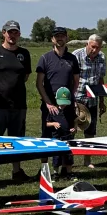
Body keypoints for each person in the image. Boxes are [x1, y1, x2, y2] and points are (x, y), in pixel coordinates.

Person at [0, 19, 32, 184]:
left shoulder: (24, 54)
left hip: (18, 105)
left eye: (15, 32)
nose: (12, 35)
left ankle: (16, 171)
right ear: (3, 33)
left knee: (17, 140)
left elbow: (25, 76)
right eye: (9, 32)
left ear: (19, 34)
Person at [36, 25, 80, 172]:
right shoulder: (45, 58)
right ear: (52, 39)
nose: (60, 38)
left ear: (66, 38)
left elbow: (76, 81)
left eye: (62, 35)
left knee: (67, 135)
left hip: (66, 105)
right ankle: (45, 169)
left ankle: (66, 168)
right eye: (57, 36)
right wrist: (48, 103)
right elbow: (39, 83)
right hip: (50, 106)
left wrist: (71, 99)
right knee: (47, 137)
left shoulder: (72, 59)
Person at [72, 34, 106, 169]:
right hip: (77, 97)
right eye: (93, 47)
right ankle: (69, 160)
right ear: (87, 44)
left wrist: (102, 100)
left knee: (90, 131)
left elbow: (101, 79)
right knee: (72, 129)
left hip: (93, 99)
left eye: (98, 48)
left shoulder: (102, 57)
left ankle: (87, 159)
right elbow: (69, 77)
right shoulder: (76, 55)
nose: (95, 50)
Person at [43, 87, 77, 177]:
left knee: (68, 156)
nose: (63, 105)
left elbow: (75, 121)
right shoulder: (53, 111)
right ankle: (55, 173)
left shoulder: (70, 111)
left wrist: (73, 128)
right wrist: (53, 123)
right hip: (57, 137)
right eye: (61, 103)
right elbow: (46, 124)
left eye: (65, 103)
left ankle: (69, 172)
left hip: (68, 137)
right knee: (56, 156)